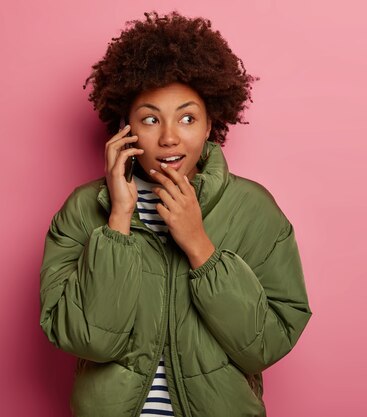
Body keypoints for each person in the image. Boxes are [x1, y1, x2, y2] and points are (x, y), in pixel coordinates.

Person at [39, 11, 312, 417]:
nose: (169, 137)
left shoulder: (254, 211)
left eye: (187, 118)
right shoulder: (84, 209)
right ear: (125, 128)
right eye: (150, 119)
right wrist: (118, 221)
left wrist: (200, 245)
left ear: (210, 125)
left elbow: (264, 346)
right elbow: (88, 339)